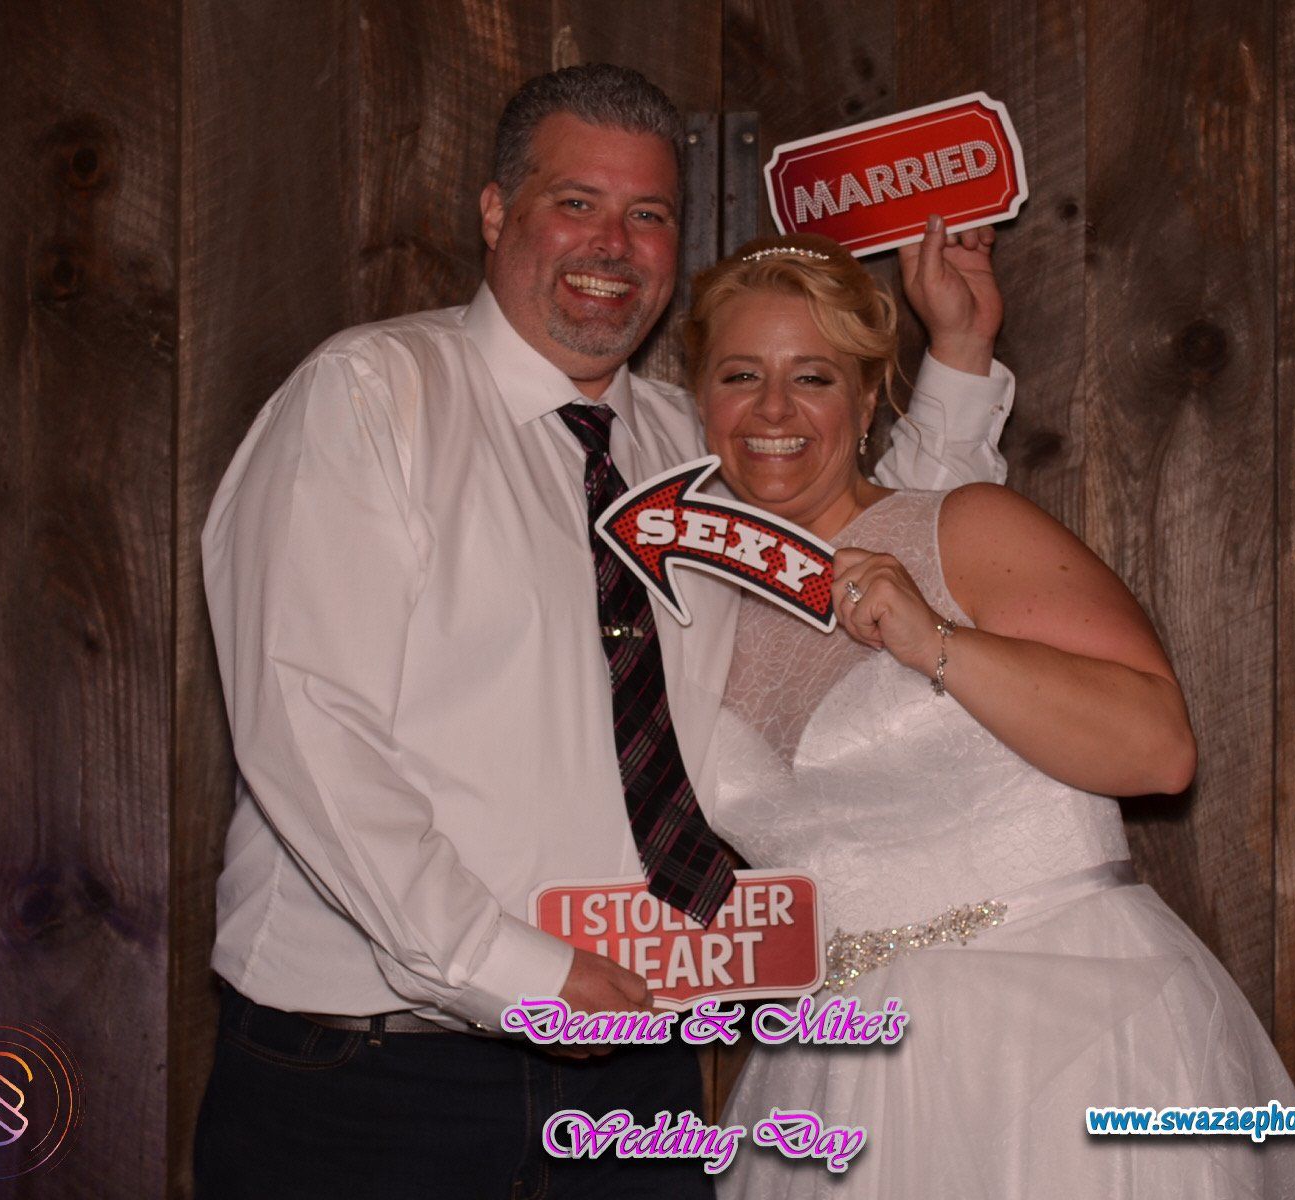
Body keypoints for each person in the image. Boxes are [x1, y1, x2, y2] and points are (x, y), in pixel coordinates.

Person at [192, 65, 1014, 1198]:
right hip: (376, 1075)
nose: (613, 244)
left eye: (649, 214)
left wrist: (958, 363)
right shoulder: (371, 399)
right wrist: (510, 971)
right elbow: (307, 731)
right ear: (494, 212)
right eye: (575, 203)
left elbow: (868, 569)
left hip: (637, 1061)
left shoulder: (687, 445)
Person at [687, 233, 1295, 1199]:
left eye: (815, 376)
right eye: (741, 374)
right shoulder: (693, 615)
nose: (775, 410)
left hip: (1064, 1035)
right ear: (698, 401)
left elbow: (1160, 750)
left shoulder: (961, 527)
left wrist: (934, 645)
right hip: (840, 1077)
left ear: (868, 398)